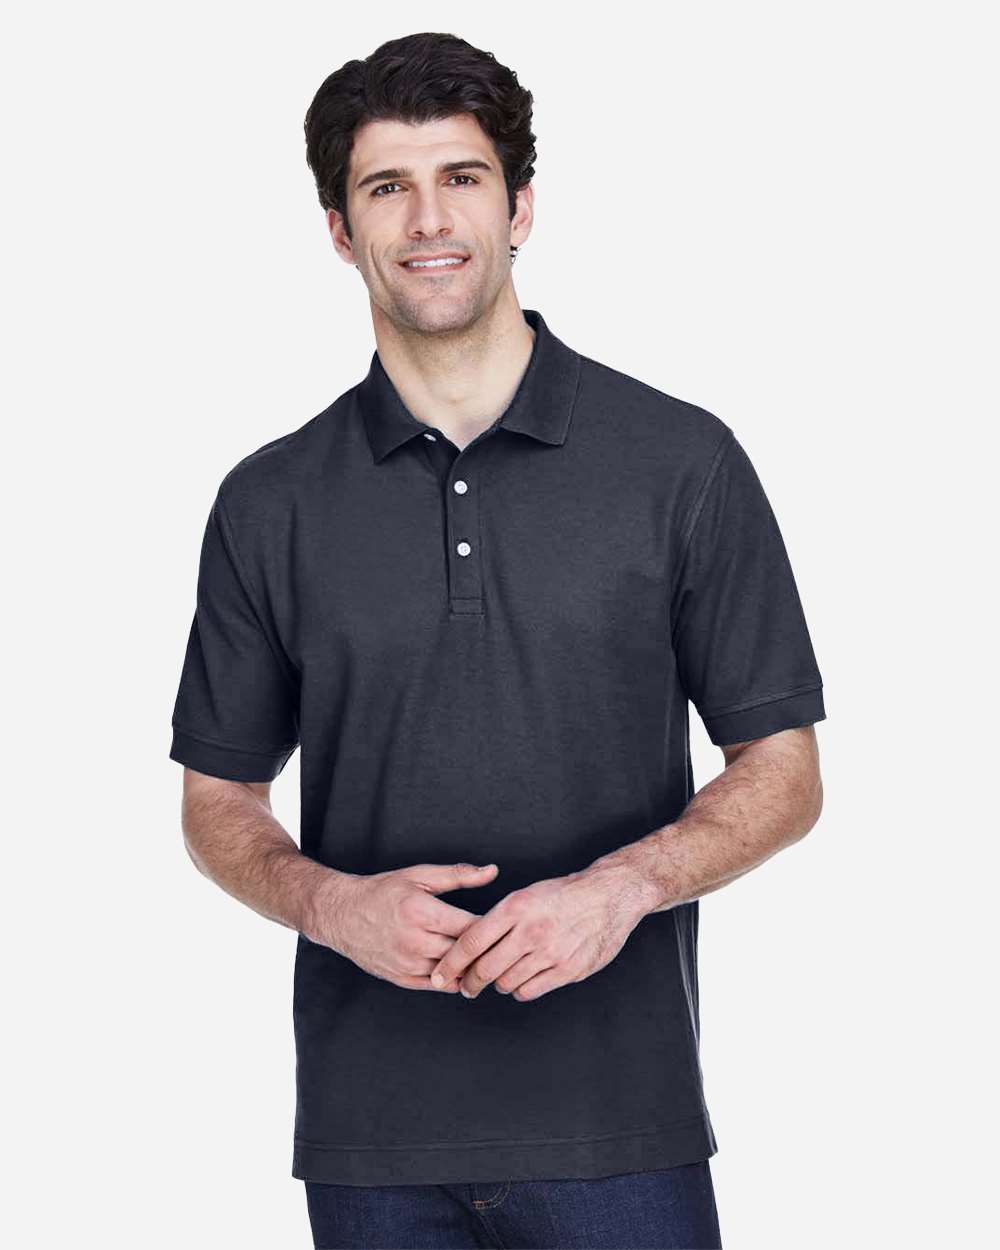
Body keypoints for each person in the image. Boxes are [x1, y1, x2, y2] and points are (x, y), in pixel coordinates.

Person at [168, 30, 826, 1250]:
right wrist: (330, 905)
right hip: (372, 1142)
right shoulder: (269, 500)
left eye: (461, 177)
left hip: (620, 1126)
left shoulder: (680, 461)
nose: (428, 218)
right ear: (339, 229)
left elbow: (784, 770)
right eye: (387, 186)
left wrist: (624, 888)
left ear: (519, 207)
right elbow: (217, 796)